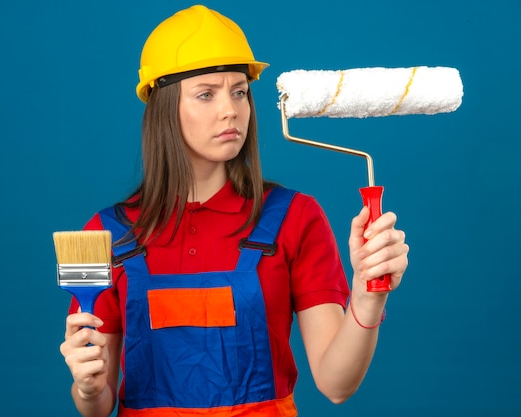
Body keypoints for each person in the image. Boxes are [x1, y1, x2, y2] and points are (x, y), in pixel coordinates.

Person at [59, 4, 409, 417]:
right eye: (206, 93)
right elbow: (97, 408)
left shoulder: (296, 217)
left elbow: (336, 385)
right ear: (164, 107)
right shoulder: (102, 233)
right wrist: (87, 387)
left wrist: (369, 296)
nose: (231, 109)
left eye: (239, 91)